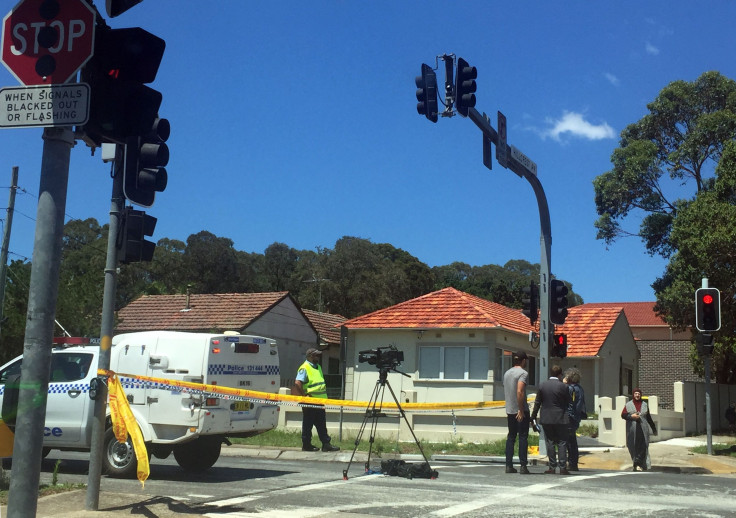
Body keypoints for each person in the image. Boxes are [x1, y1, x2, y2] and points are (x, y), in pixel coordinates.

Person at [292, 348, 340, 452]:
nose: (318, 357)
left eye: (318, 355)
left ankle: (326, 444)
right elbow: (297, 383)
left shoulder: (318, 367)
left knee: (321, 424)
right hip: (310, 402)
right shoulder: (304, 368)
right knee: (308, 424)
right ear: (310, 356)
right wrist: (304, 397)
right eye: (316, 356)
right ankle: (306, 445)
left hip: (319, 401)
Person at [531, 364, 571, 474]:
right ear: (559, 374)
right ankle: (563, 467)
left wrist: (533, 416)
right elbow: (568, 402)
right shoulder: (564, 387)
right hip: (560, 417)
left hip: (546, 418)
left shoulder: (542, 385)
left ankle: (552, 467)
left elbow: (537, 402)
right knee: (562, 442)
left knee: (550, 442)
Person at [503, 351, 531, 474]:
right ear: (523, 361)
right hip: (520, 410)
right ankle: (523, 465)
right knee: (523, 437)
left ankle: (508, 465)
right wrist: (521, 409)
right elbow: (520, 391)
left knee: (511, 437)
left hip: (509, 410)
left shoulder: (507, 373)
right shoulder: (523, 373)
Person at [621, 388, 657, 471]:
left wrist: (653, 428)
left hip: (643, 430)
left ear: (641, 395)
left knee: (643, 447)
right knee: (633, 446)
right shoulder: (628, 405)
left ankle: (640, 464)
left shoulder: (644, 405)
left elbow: (648, 418)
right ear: (633, 395)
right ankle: (636, 464)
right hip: (632, 430)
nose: (637, 395)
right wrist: (631, 417)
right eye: (636, 394)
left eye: (639, 394)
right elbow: (623, 415)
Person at [564, 367, 587, 471]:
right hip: (576, 417)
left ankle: (572, 462)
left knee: (569, 441)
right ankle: (574, 462)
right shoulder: (580, 388)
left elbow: (569, 403)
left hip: (570, 416)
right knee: (572, 440)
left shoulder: (570, 388)